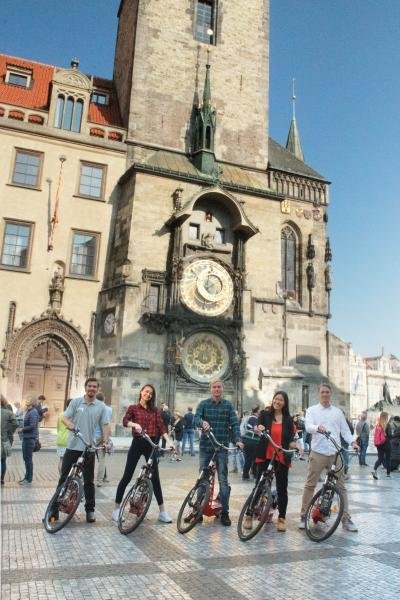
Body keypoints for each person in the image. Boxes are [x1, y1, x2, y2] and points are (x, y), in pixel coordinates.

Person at [299, 382, 359, 532]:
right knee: (310, 484)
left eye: (327, 392)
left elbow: (345, 431)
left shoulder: (338, 412)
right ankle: (303, 515)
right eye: (322, 392)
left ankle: (346, 519)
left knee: (341, 487)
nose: (325, 394)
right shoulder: (312, 411)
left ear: (330, 394)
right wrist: (316, 428)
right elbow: (308, 427)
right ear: (318, 394)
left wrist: (353, 442)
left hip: (335, 452)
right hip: (318, 452)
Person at [51, 378, 111, 523]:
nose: (92, 388)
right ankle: (53, 511)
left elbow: (106, 425)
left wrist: (106, 441)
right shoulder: (76, 402)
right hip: (72, 446)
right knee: (64, 479)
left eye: (94, 386)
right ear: (85, 387)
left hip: (88, 448)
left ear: (97, 389)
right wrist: (70, 424)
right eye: (89, 386)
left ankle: (90, 511)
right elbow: (65, 417)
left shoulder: (101, 406)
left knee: (89, 482)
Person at [112, 384, 173, 524]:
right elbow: (125, 421)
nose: (148, 394)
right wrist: (134, 425)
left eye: (151, 393)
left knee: (156, 479)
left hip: (151, 445)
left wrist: (169, 441)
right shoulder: (133, 408)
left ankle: (162, 512)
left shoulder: (155, 411)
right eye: (146, 392)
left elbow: (161, 426)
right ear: (141, 392)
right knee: (127, 476)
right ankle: (116, 510)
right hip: (137, 443)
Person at [195, 379, 243, 526]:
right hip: (206, 447)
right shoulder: (203, 404)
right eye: (214, 387)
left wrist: (238, 440)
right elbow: (196, 418)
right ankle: (197, 511)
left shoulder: (228, 406)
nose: (216, 389)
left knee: (223, 480)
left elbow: (234, 425)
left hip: (221, 447)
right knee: (202, 479)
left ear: (222, 389)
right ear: (210, 389)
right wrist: (201, 422)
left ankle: (225, 512)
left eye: (219, 387)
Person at [252, 392, 302, 532]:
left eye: (280, 400)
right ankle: (249, 514)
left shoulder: (288, 420)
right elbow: (257, 428)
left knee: (282, 489)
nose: (277, 401)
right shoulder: (265, 414)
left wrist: (297, 446)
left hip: (281, 457)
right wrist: (259, 428)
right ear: (272, 400)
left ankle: (281, 518)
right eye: (276, 399)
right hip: (265, 454)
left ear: (284, 403)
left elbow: (291, 441)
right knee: (259, 485)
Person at [17, 398, 39, 485]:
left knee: (28, 459)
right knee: (26, 459)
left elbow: (33, 426)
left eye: (29, 401)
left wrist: (22, 429)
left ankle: (29, 478)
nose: (26, 401)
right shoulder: (29, 411)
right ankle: (26, 477)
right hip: (27, 438)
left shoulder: (33, 412)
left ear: (32, 403)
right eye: (26, 400)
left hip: (29, 439)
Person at [95, 392, 113, 486]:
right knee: (101, 460)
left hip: (92, 436)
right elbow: (108, 423)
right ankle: (100, 481)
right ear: (104, 399)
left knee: (87, 459)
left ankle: (85, 478)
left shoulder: (94, 408)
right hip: (103, 436)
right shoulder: (109, 409)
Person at [1, 395, 17, 484]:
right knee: (3, 460)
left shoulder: (7, 412)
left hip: (5, 439)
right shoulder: (8, 412)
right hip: (5, 439)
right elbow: (15, 424)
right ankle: (1, 478)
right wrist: (9, 432)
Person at [241, 406, 261, 480]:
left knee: (250, 458)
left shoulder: (250, 417)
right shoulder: (254, 418)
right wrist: (261, 434)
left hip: (248, 440)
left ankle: (249, 474)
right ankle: (249, 475)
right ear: (257, 411)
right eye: (260, 410)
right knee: (252, 459)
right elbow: (256, 429)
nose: (260, 411)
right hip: (252, 441)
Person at [372, 411, 391, 479]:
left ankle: (374, 469)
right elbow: (390, 435)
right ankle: (388, 474)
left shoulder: (378, 425)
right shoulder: (388, 425)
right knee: (388, 459)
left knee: (380, 458)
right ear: (386, 417)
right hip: (387, 444)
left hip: (379, 444)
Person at [56, 399, 71, 474]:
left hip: (61, 439)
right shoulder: (73, 415)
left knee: (61, 460)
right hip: (69, 441)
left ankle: (61, 476)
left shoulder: (61, 414)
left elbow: (58, 427)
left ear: (66, 405)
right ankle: (67, 477)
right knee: (70, 461)